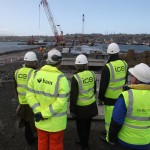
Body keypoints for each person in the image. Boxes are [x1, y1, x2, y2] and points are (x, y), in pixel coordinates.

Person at [26, 49, 70, 150]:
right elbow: (61, 102)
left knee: (42, 143)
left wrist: (39, 112)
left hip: (40, 121)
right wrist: (44, 114)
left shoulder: (35, 75)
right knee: (56, 145)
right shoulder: (61, 79)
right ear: (59, 62)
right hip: (57, 124)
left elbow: (29, 95)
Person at [108, 63, 150, 150]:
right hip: (146, 142)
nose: (131, 78)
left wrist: (111, 139)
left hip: (125, 142)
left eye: (132, 76)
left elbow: (116, 121)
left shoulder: (126, 96)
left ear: (136, 79)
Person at [98, 43, 128, 141]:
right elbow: (125, 80)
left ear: (108, 54)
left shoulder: (108, 67)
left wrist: (100, 97)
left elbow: (103, 85)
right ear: (118, 52)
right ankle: (113, 134)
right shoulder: (124, 64)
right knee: (118, 117)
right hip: (122, 96)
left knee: (109, 119)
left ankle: (109, 138)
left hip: (109, 98)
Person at [70, 54, 98, 150]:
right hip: (91, 105)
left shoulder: (76, 78)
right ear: (86, 65)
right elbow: (94, 90)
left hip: (80, 108)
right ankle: (84, 142)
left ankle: (84, 145)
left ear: (76, 65)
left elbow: (73, 96)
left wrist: (72, 110)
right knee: (87, 125)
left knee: (80, 127)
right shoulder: (92, 74)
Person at [14, 51, 38, 145]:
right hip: (31, 103)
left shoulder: (17, 72)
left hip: (22, 102)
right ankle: (37, 139)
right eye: (35, 62)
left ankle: (29, 140)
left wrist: (20, 99)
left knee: (27, 122)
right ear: (33, 62)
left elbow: (15, 87)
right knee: (34, 122)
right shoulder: (35, 73)